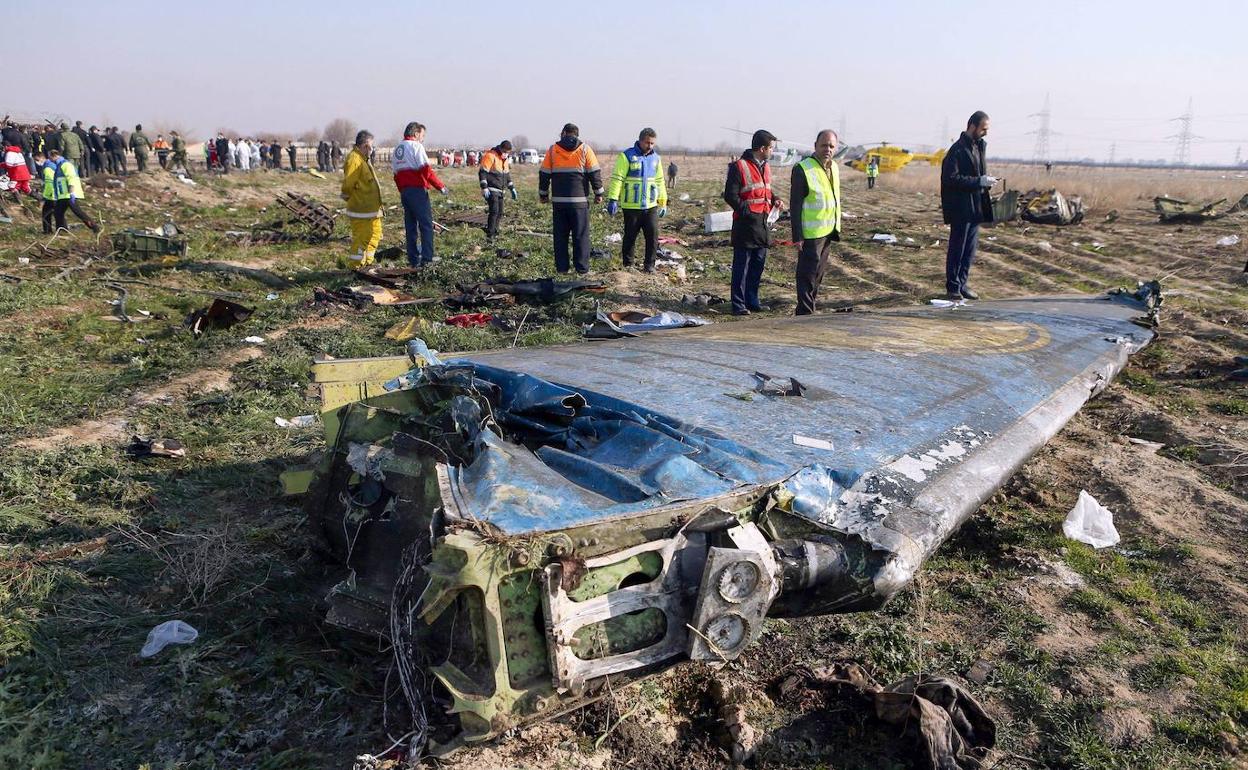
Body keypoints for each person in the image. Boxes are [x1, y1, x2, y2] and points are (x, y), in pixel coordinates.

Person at [722, 129, 785, 315]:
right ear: (763, 148)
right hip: (745, 225)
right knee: (742, 267)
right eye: (771, 148)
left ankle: (752, 300)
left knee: (757, 265)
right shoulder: (738, 166)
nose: (772, 151)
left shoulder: (765, 166)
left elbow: (765, 190)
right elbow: (730, 195)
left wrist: (775, 199)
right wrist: (747, 212)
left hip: (763, 224)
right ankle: (738, 304)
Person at [939, 111, 996, 301]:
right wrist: (978, 181)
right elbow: (951, 178)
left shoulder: (979, 147)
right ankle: (953, 286)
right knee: (958, 248)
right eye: (983, 129)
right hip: (960, 208)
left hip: (975, 207)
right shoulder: (957, 150)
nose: (985, 133)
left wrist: (985, 182)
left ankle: (962, 284)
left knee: (969, 250)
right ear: (972, 126)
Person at [539, 123, 604, 275]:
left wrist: (543, 195)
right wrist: (598, 193)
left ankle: (562, 269)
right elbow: (594, 173)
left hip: (559, 202)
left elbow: (544, 174)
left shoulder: (553, 150)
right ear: (577, 134)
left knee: (560, 237)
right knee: (581, 236)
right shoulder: (585, 149)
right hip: (579, 203)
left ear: (563, 133)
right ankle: (582, 269)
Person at [791, 130, 842, 315]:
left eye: (831, 146)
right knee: (806, 275)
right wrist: (797, 236)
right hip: (810, 234)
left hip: (827, 230)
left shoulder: (834, 168)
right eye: (824, 145)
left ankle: (809, 308)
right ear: (815, 145)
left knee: (818, 275)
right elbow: (795, 205)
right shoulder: (803, 169)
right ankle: (804, 313)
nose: (827, 149)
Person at [605, 127, 668, 272]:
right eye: (647, 143)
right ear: (640, 141)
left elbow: (660, 181)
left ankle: (649, 265)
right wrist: (613, 199)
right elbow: (617, 179)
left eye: (652, 143)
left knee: (652, 237)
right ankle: (628, 265)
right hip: (631, 206)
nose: (650, 146)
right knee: (630, 237)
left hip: (650, 206)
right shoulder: (626, 156)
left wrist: (663, 202)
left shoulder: (656, 159)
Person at [391, 121, 448, 267]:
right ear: (416, 134)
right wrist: (440, 186)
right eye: (422, 135)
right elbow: (426, 170)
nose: (423, 139)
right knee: (426, 225)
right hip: (417, 191)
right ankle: (427, 259)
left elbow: (396, 175)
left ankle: (413, 259)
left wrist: (403, 191)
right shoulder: (416, 146)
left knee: (410, 226)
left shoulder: (397, 149)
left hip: (405, 192)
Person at [340, 130, 383, 269]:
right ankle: (356, 267)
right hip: (361, 209)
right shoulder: (354, 159)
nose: (372, 149)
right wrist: (349, 198)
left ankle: (367, 263)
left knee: (375, 235)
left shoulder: (363, 158)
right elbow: (349, 183)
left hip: (371, 210)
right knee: (362, 238)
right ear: (365, 145)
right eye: (371, 146)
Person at [38, 149, 99, 234]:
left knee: (77, 212)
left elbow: (71, 177)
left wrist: (71, 192)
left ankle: (94, 226)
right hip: (63, 195)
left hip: (69, 194)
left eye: (50, 157)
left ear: (54, 156)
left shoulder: (65, 164)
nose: (49, 160)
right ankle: (62, 231)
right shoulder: (59, 165)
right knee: (58, 212)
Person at [478, 139, 517, 240]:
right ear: (501, 148)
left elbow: (507, 175)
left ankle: (495, 231)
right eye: (505, 152)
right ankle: (490, 234)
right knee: (494, 211)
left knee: (500, 212)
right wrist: (484, 187)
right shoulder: (491, 156)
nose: (506, 154)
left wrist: (512, 188)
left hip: (501, 190)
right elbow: (482, 172)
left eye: (508, 153)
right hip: (491, 188)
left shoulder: (505, 160)